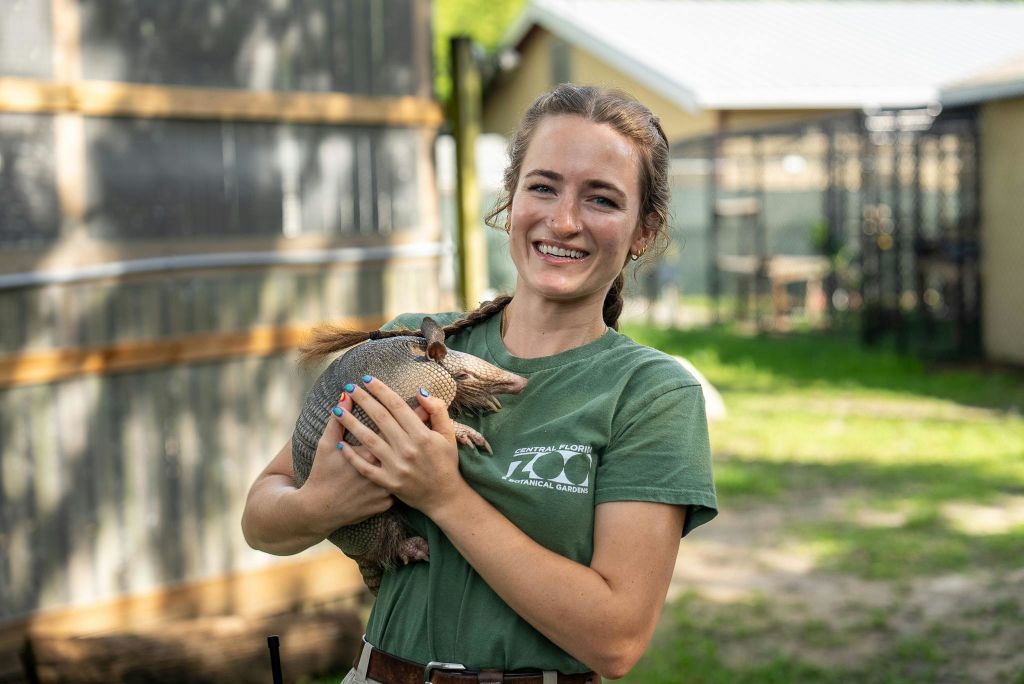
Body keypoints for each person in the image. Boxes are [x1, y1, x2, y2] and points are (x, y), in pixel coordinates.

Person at [241, 83, 718, 683]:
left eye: (601, 199)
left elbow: (616, 639)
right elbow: (261, 517)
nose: (564, 221)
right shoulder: (412, 344)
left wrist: (443, 496)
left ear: (643, 230)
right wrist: (319, 505)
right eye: (542, 187)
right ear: (510, 200)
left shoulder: (649, 394)